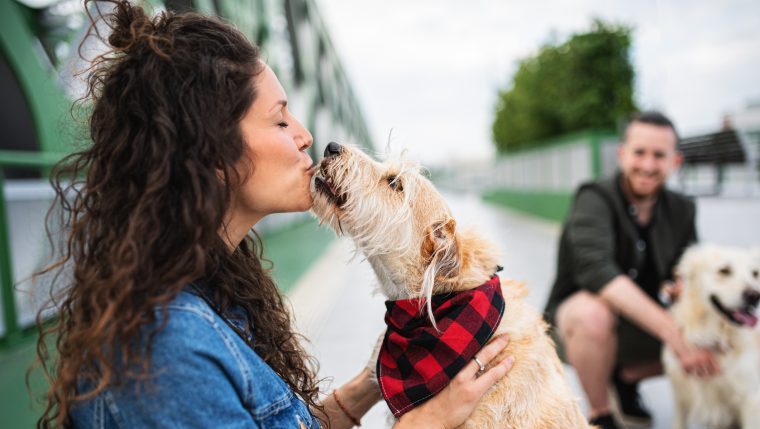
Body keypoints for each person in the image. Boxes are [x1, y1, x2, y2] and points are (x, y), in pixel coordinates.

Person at [34, 1, 515, 428]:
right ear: (210, 149)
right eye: (281, 120)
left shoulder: (220, 295)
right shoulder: (165, 352)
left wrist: (369, 382)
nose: (306, 136)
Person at [543, 111, 720, 429]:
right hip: (577, 325)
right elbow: (598, 272)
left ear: (674, 161)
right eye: (640, 152)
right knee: (592, 314)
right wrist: (676, 336)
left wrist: (679, 285)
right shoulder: (593, 197)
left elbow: (689, 267)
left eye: (659, 155)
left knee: (724, 331)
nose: (648, 165)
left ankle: (623, 378)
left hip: (640, 325)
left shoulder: (683, 208)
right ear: (622, 154)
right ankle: (601, 415)